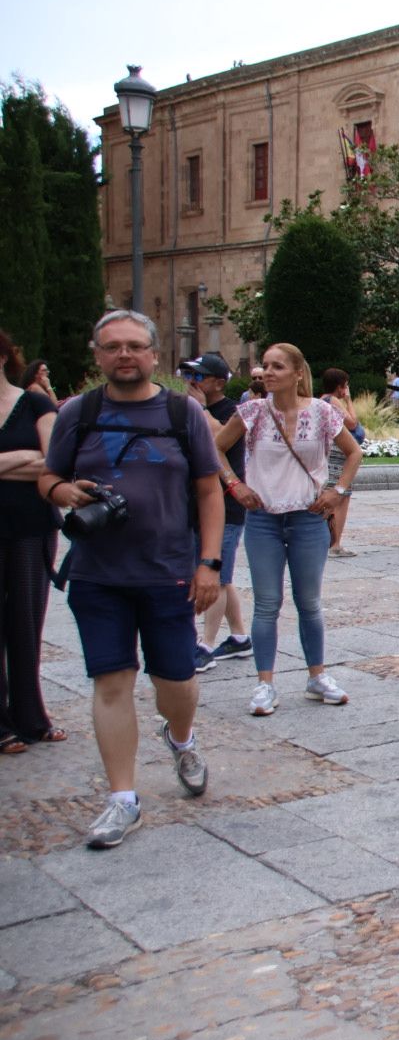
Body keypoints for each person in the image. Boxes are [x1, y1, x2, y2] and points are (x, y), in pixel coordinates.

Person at [40, 310, 224, 848]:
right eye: (113, 346)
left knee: (176, 685)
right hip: (99, 574)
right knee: (112, 682)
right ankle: (123, 799)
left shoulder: (180, 412)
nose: (124, 355)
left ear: (153, 354)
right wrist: (61, 493)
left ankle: (181, 737)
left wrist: (208, 563)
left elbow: (209, 490)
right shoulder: (80, 412)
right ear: (97, 355)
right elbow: (49, 475)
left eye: (135, 346)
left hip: (168, 571)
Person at [215, 343, 360, 716]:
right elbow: (214, 449)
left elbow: (355, 450)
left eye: (277, 366)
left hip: (308, 517)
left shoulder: (323, 413)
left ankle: (316, 676)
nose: (268, 372)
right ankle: (265, 683)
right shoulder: (250, 412)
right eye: (265, 366)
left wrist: (338, 489)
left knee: (309, 602)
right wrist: (235, 485)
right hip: (264, 517)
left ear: (298, 373)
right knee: (266, 603)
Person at [0, 332, 64, 753]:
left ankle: (32, 717)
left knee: (26, 622)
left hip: (30, 525)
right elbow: (36, 459)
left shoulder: (36, 403)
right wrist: (23, 458)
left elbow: (55, 462)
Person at [179, 352, 251, 669]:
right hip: (198, 503)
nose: (192, 383)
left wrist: (201, 409)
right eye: (190, 377)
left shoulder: (232, 409)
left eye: (199, 377)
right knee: (224, 576)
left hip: (227, 504)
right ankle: (239, 637)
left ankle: (205, 646)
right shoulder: (190, 408)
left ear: (218, 383)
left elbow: (218, 439)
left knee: (217, 578)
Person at [319, 369, 363, 558]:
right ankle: (335, 543)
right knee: (341, 495)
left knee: (333, 494)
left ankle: (327, 540)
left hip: (330, 450)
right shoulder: (332, 400)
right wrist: (349, 400)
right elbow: (352, 423)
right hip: (338, 452)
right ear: (340, 386)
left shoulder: (321, 400)